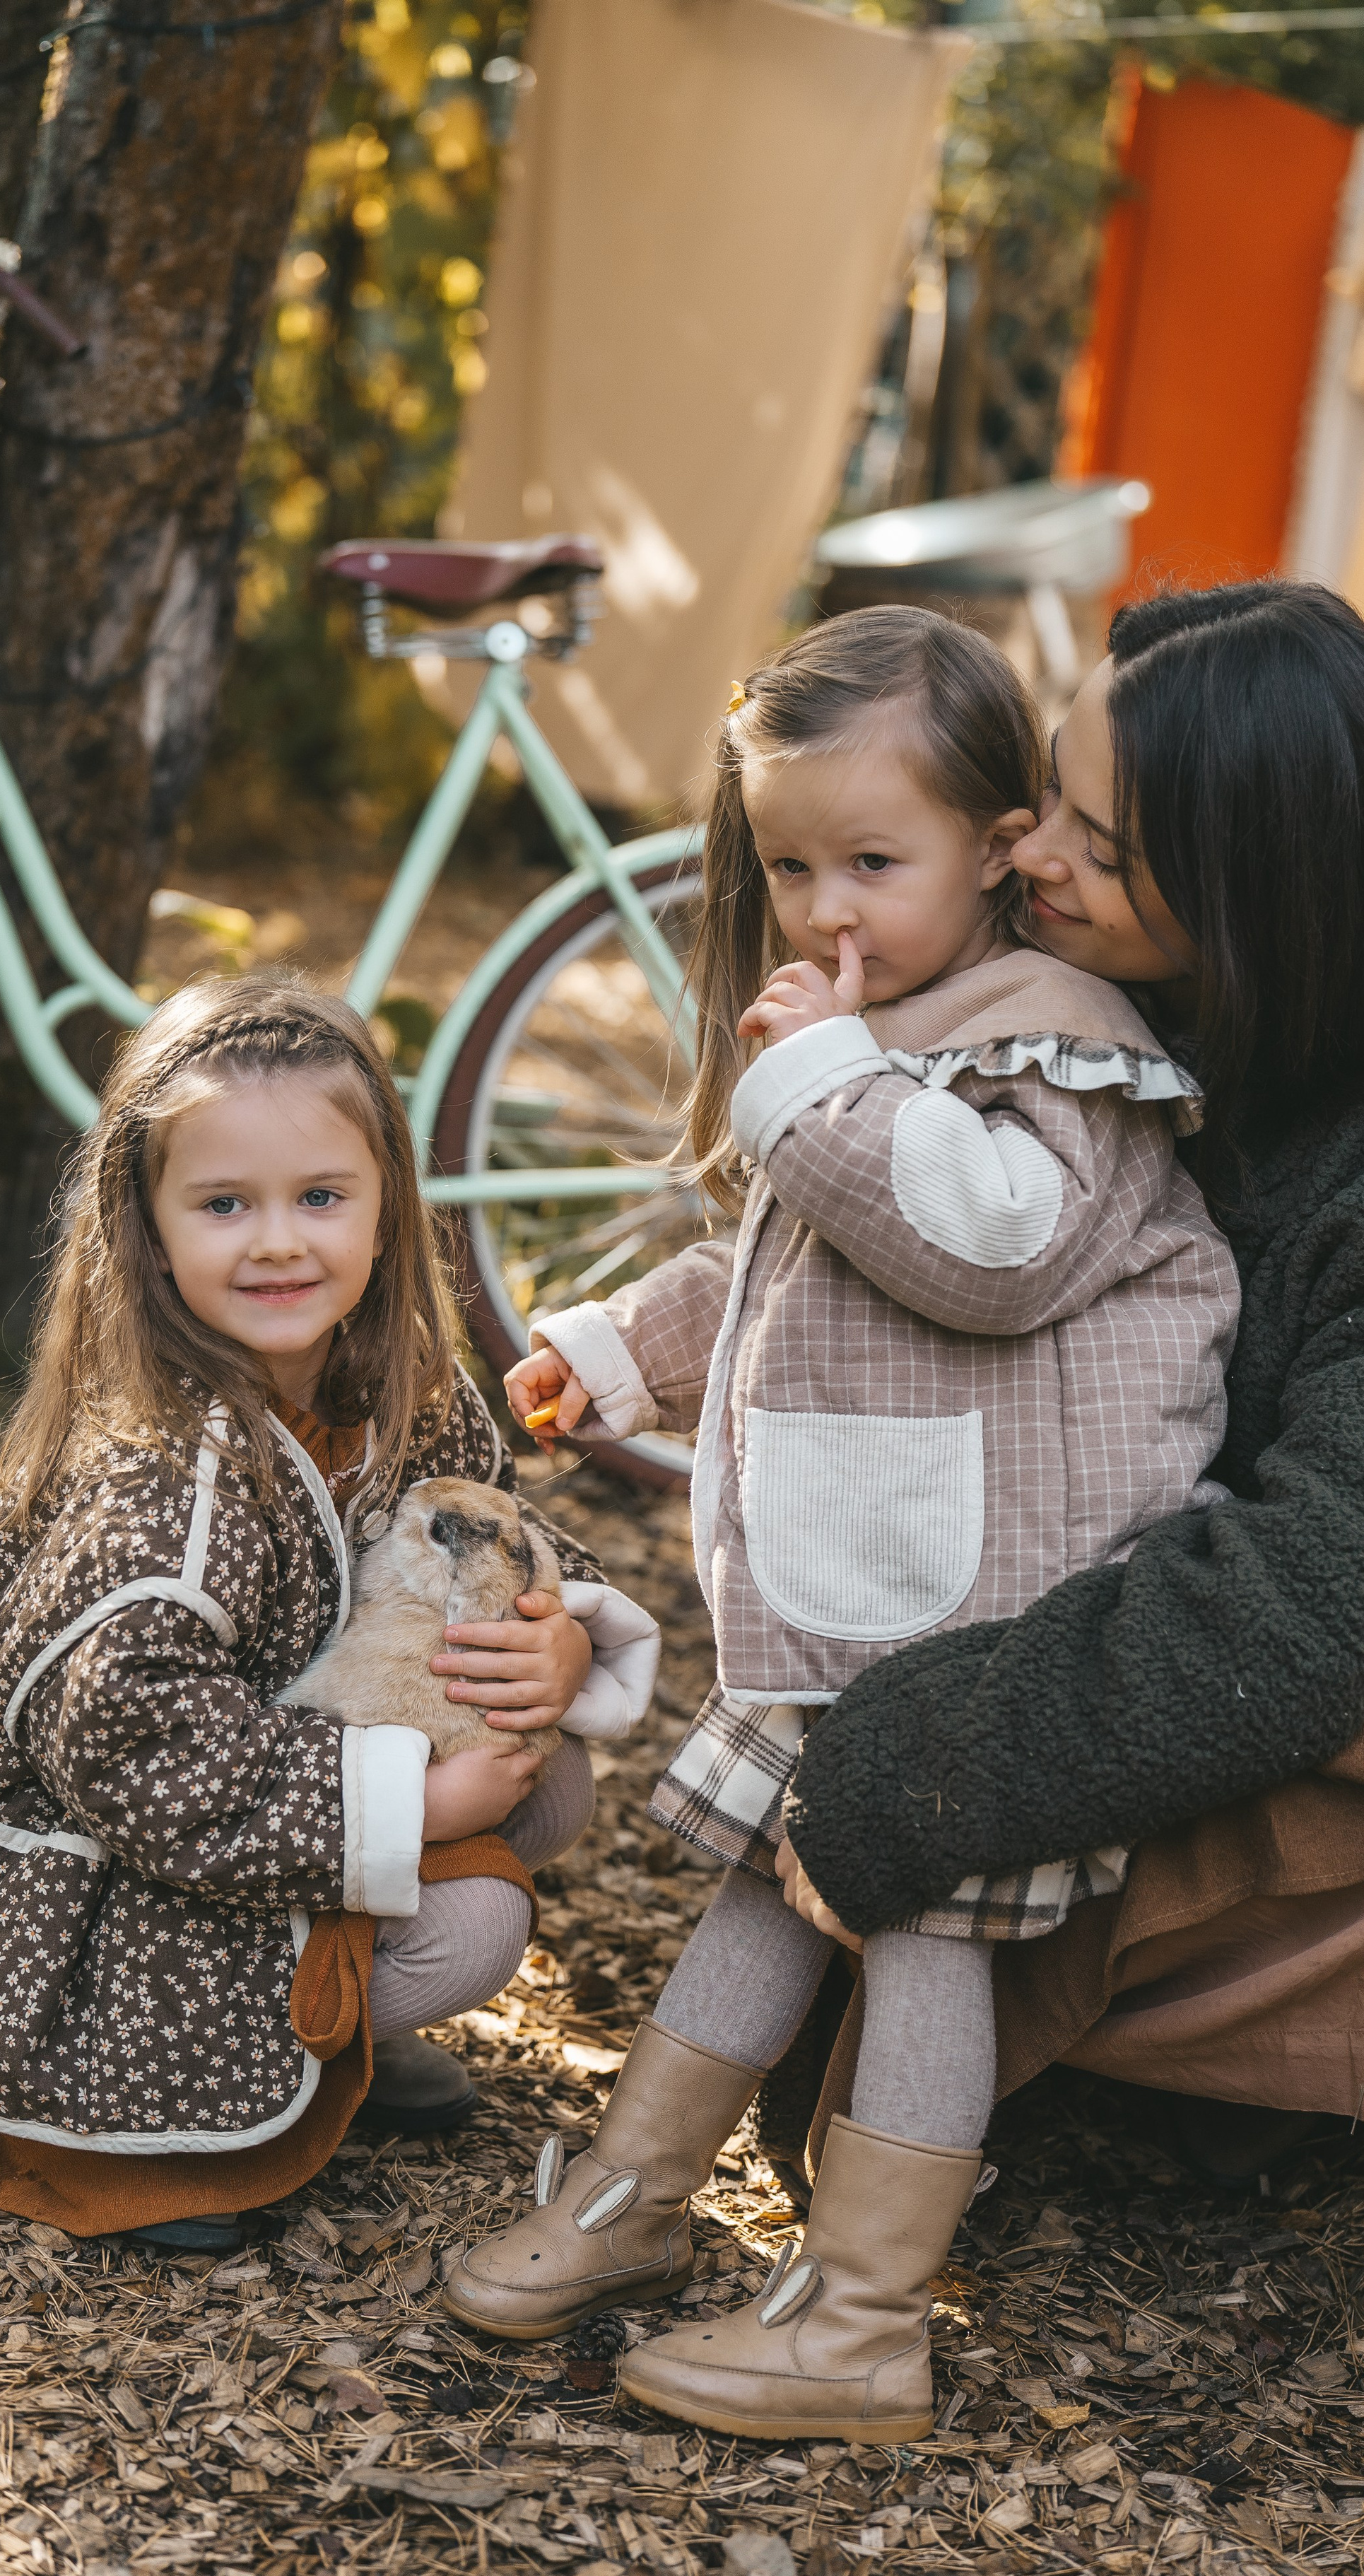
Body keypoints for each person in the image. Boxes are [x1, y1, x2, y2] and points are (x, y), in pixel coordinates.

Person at [444, 605, 1241, 2443]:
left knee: (924, 1929)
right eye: (791, 866)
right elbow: (791, 1258)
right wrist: (620, 1350)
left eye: (873, 863)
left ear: (996, 846)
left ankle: (869, 2317)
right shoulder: (884, 1036)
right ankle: (637, 2197)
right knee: (766, 1884)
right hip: (871, 1593)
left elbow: (987, 1249)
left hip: (989, 1624)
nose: (824, 911)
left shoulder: (1060, 1043)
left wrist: (819, 1081)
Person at [777, 582, 1364, 2293]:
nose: (1029, 851)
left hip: (1201, 1647)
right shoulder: (1041, 1027)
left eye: (1105, 845)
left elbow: (1297, 1611)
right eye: (1047, 796)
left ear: (1255, 886)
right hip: (968, 1593)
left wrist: (914, 1766)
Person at [0, 978, 659, 2252]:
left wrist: (551, 1635)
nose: (278, 1241)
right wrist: (409, 1809)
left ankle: (321, 2025)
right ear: (148, 1228)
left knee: (548, 1782)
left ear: (387, 1208)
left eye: (321, 1196)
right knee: (478, 1924)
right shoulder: (155, 1475)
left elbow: (489, 1522)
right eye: (225, 1204)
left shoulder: (401, 1386)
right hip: (66, 1870)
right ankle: (127, 2114)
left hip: (255, 1790)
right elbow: (139, 1755)